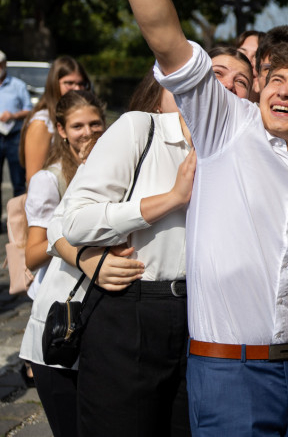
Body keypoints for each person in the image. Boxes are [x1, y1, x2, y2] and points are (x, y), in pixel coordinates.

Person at [96, 0, 288, 434]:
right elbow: (165, 35)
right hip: (229, 375)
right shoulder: (227, 127)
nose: (282, 91)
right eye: (275, 79)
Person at [60, 72, 194, 437]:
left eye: (241, 80)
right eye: (215, 74)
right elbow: (68, 221)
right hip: (131, 303)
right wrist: (170, 200)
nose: (223, 86)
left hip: (201, 315)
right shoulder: (139, 129)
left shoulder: (235, 147)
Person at [19, 89, 105, 437]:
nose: (88, 132)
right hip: (61, 306)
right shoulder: (50, 179)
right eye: (78, 126)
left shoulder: (113, 169)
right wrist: (69, 237)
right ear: (62, 130)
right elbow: (32, 254)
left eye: (95, 124)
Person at [20, 55, 90, 184]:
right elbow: (33, 179)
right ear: (55, 84)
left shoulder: (86, 116)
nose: (77, 89)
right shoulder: (42, 122)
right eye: (69, 83)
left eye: (81, 84)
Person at [0, 49, 32, 210]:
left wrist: (13, 115)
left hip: (14, 136)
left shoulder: (17, 85)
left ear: (5, 64)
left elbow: (29, 109)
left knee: (18, 181)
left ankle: (19, 218)